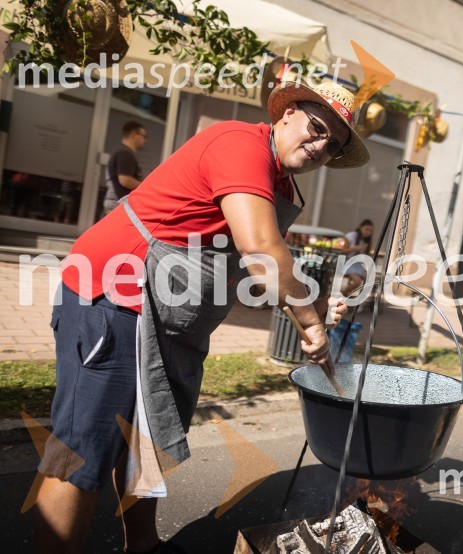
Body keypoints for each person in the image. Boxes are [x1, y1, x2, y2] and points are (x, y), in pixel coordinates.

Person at [35, 80, 369, 553]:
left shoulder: (281, 183)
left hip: (168, 316)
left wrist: (312, 304)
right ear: (289, 112)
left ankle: (144, 544)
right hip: (112, 296)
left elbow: (247, 271)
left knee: (146, 438)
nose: (320, 146)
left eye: (332, 145)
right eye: (317, 128)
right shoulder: (239, 145)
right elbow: (261, 251)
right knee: (82, 452)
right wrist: (311, 326)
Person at [102, 121, 147, 215]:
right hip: (117, 206)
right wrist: (145, 187)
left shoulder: (121, 151)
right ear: (134, 134)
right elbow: (125, 180)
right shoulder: (125, 153)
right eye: (143, 136)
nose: (144, 141)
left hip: (114, 205)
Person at [341, 219, 374, 294]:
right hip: (348, 262)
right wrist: (355, 248)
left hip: (358, 264)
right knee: (357, 282)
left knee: (370, 279)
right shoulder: (352, 236)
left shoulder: (367, 241)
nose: (368, 232)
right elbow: (343, 251)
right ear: (360, 227)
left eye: (370, 231)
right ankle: (343, 294)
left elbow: (367, 256)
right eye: (366, 229)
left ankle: (357, 297)